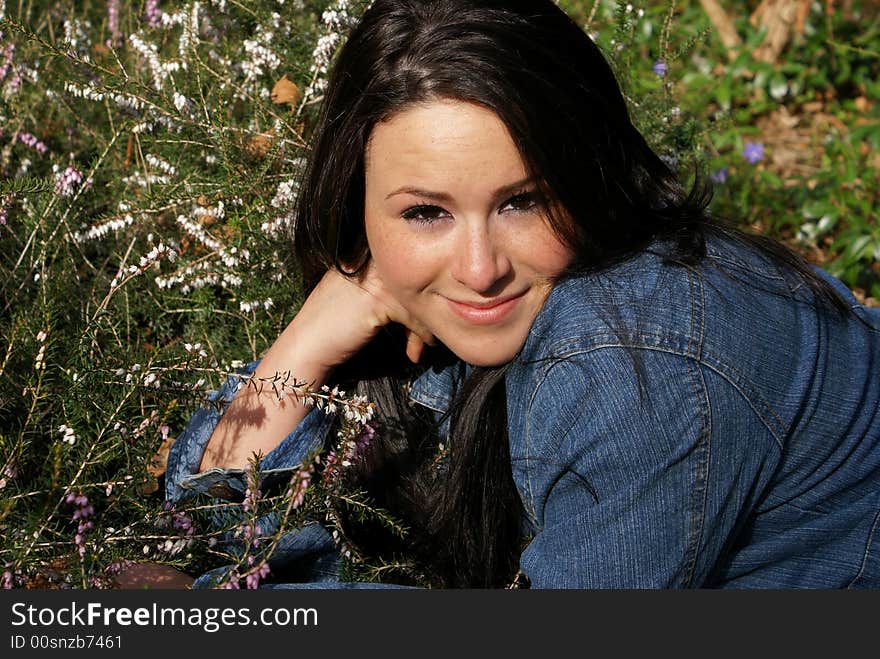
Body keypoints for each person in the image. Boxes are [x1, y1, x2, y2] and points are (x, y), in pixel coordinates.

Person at [165, 0, 880, 589]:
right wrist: (308, 338)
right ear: (358, 210)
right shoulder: (471, 317)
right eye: (425, 213)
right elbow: (208, 532)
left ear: (585, 178)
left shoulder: (630, 363)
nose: (480, 269)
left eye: (522, 202)